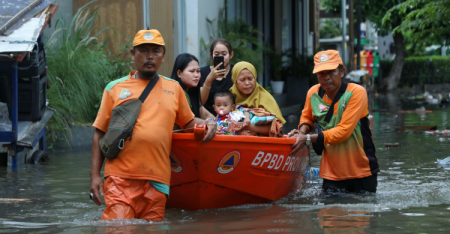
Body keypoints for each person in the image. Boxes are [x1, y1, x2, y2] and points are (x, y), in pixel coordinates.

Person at [90, 29, 217, 221]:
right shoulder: (114, 88)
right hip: (120, 179)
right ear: (133, 54)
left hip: (157, 182)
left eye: (156, 51)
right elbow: (99, 133)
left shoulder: (173, 88)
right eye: (143, 50)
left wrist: (209, 123)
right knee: (119, 229)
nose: (150, 56)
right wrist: (95, 176)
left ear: (163, 56)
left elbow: (188, 123)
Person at [289, 50, 379, 194]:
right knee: (330, 215)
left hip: (362, 171)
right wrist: (301, 132)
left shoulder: (357, 93)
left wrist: (306, 139)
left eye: (331, 72)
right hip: (331, 173)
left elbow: (343, 132)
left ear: (341, 71)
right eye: (321, 73)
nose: (326, 77)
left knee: (363, 214)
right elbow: (307, 117)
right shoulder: (313, 93)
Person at [230, 61, 286, 136]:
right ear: (235, 81)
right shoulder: (229, 96)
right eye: (242, 80)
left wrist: (249, 127)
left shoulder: (265, 97)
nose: (247, 83)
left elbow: (276, 128)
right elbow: (221, 121)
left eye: (250, 79)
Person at [170, 53, 214, 124]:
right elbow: (187, 122)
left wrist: (222, 124)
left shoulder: (191, 92)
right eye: (192, 71)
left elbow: (206, 115)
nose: (196, 75)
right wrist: (210, 123)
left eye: (198, 71)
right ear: (179, 73)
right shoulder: (177, 92)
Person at [199, 38, 234, 116]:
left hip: (232, 118)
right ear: (211, 55)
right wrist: (209, 79)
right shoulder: (203, 72)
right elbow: (201, 101)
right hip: (208, 119)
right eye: (217, 54)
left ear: (231, 55)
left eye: (224, 54)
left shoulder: (236, 71)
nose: (221, 57)